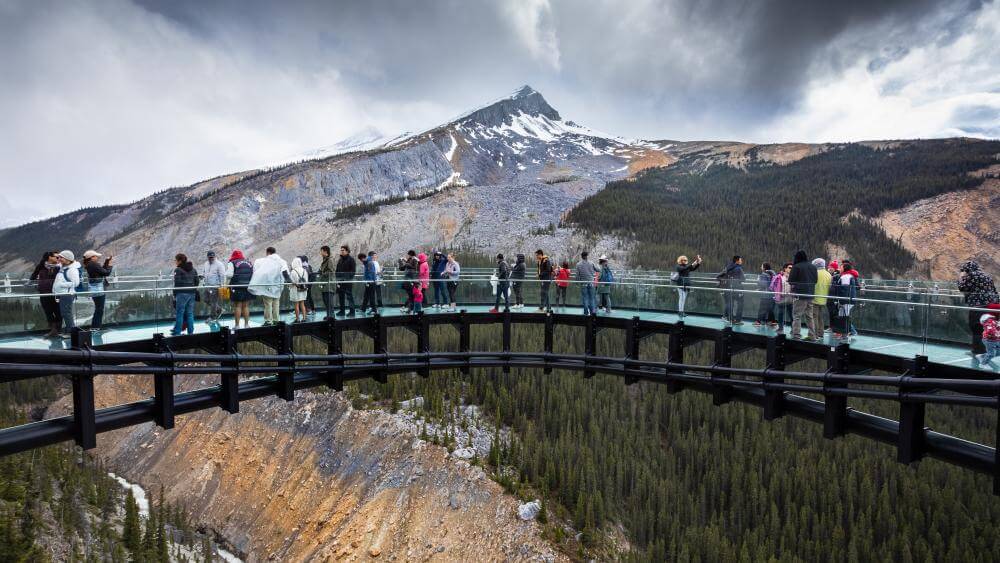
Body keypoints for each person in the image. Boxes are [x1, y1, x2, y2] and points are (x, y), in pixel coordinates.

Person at [958, 261, 999, 354]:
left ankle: (977, 350)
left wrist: (961, 276)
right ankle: (988, 350)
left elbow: (961, 287)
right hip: (991, 306)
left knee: (976, 328)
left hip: (978, 306)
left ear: (967, 269)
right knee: (986, 329)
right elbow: (994, 291)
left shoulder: (971, 276)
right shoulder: (987, 276)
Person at [249, 247, 289, 325]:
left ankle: (268, 320)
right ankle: (276, 320)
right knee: (276, 303)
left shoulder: (265, 261)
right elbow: (285, 272)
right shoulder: (282, 261)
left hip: (268, 286)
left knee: (268, 303)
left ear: (268, 253)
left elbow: (258, 272)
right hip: (278, 286)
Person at [30, 251, 62, 337]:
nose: (58, 259)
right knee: (48, 311)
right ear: (50, 257)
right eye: (56, 257)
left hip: (56, 293)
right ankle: (53, 330)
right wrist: (30, 282)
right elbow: (34, 275)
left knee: (58, 311)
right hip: (44, 293)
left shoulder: (59, 267)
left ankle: (58, 330)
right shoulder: (41, 266)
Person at [787, 250, 817, 340]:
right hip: (810, 294)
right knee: (809, 316)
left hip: (799, 295)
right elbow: (815, 281)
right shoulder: (813, 267)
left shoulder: (796, 267)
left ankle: (796, 335)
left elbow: (790, 280)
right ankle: (812, 335)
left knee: (797, 316)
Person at [81, 250, 113, 331]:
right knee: (99, 309)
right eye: (96, 256)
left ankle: (96, 326)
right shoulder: (93, 264)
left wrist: (106, 262)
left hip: (95, 288)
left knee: (98, 308)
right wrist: (110, 265)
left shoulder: (89, 264)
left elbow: (102, 271)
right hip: (99, 288)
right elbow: (106, 273)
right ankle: (96, 327)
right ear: (91, 257)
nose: (98, 258)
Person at [52, 250, 82, 334]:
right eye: (59, 257)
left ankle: (71, 333)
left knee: (66, 313)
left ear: (68, 259)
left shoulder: (72, 270)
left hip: (67, 294)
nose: (59, 259)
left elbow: (76, 283)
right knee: (65, 313)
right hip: (63, 293)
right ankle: (69, 331)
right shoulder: (64, 267)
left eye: (61, 257)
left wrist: (61, 284)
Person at [171, 253, 199, 336]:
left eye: (175, 260)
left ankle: (177, 332)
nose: (175, 262)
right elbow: (197, 281)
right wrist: (193, 288)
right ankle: (190, 332)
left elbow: (177, 283)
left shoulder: (178, 270)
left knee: (180, 313)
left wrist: (174, 294)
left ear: (179, 261)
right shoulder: (193, 269)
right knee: (190, 313)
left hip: (182, 293)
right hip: (192, 293)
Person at [226, 250, 254, 328]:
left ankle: (237, 325)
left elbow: (229, 275)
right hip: (248, 286)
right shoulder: (249, 263)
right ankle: (246, 325)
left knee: (238, 306)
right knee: (246, 306)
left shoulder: (232, 263)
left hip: (237, 286)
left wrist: (226, 284)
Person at [835, 261, 860, 340]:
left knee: (844, 317)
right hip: (849, 300)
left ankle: (846, 334)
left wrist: (841, 301)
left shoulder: (845, 277)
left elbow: (845, 290)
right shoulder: (849, 276)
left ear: (844, 268)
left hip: (846, 301)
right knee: (844, 316)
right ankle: (844, 334)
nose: (840, 268)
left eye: (841, 267)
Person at [200, 251, 226, 324]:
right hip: (207, 285)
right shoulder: (206, 263)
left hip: (215, 286)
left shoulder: (219, 264)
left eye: (212, 257)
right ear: (207, 257)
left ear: (214, 256)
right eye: (209, 257)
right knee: (205, 299)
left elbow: (222, 275)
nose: (211, 258)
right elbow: (204, 272)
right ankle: (219, 309)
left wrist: (222, 285)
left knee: (213, 302)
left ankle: (212, 317)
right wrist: (202, 276)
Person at [719, 256, 745, 325]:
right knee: (740, 304)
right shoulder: (739, 268)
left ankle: (730, 318)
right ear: (737, 261)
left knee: (730, 304)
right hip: (737, 289)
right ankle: (738, 320)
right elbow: (743, 279)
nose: (741, 261)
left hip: (729, 289)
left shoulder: (728, 267)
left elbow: (720, 276)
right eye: (740, 260)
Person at [810, 258, 832, 339]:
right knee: (820, 317)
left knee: (814, 316)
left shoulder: (814, 273)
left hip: (814, 298)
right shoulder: (828, 274)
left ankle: (815, 334)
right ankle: (821, 333)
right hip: (824, 299)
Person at [335, 245, 357, 317]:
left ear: (347, 251)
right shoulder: (340, 260)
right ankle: (342, 311)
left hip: (347, 282)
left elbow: (353, 271)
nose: (341, 251)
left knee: (349, 296)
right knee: (341, 296)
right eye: (341, 250)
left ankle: (352, 311)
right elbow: (337, 271)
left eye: (343, 250)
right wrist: (337, 279)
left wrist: (346, 278)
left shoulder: (351, 260)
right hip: (340, 282)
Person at [771, 263, 793, 333]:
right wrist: (776, 293)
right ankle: (780, 328)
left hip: (790, 298)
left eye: (792, 268)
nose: (791, 269)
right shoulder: (779, 276)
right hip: (781, 297)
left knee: (791, 314)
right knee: (780, 314)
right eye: (790, 268)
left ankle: (793, 329)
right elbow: (772, 285)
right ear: (785, 268)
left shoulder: (793, 277)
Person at [576, 252, 598, 316]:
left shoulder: (578, 264)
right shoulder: (591, 263)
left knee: (585, 298)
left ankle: (586, 312)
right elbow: (598, 269)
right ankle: (592, 312)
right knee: (591, 298)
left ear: (581, 256)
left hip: (583, 283)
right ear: (587, 256)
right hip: (591, 283)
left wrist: (577, 282)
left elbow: (577, 275)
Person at [754, 263, 775, 327]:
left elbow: (763, 284)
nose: (761, 267)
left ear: (764, 267)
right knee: (770, 309)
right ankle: (771, 322)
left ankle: (759, 321)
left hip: (765, 294)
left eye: (761, 266)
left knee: (762, 308)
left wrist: (758, 281)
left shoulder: (764, 274)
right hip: (772, 294)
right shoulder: (773, 274)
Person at [289, 256, 309, 322]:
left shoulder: (293, 271)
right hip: (303, 289)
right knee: (302, 304)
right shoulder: (304, 270)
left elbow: (291, 281)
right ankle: (304, 318)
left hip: (295, 290)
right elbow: (306, 280)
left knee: (296, 304)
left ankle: (297, 319)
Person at [319, 246, 336, 318]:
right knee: (326, 301)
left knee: (329, 302)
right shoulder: (325, 260)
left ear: (325, 252)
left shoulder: (330, 260)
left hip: (329, 284)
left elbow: (331, 271)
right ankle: (329, 315)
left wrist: (322, 273)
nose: (320, 253)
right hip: (325, 283)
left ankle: (331, 316)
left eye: (321, 251)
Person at [826, 261, 842, 335]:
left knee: (835, 313)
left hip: (834, 297)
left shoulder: (837, 275)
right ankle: (831, 327)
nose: (829, 268)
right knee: (831, 312)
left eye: (831, 267)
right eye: (829, 267)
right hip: (829, 296)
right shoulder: (829, 274)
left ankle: (835, 328)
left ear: (834, 268)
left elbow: (835, 287)